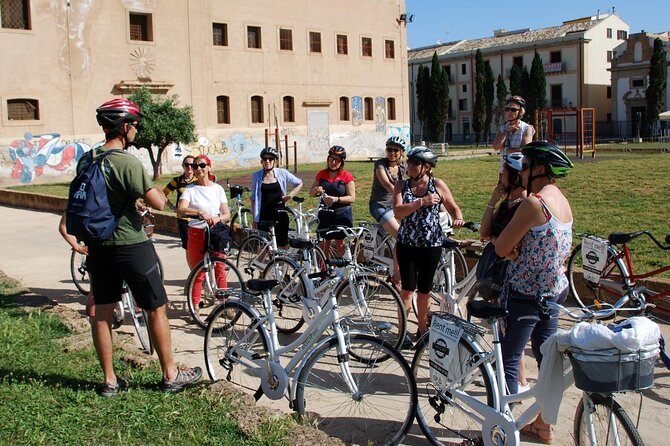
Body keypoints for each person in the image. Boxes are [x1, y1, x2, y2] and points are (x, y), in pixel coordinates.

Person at [79, 98, 201, 396]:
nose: (136, 129)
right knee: (156, 307)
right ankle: (171, 374)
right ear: (123, 127)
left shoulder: (88, 158)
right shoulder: (127, 161)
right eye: (134, 125)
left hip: (98, 245)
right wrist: (153, 186)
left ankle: (109, 380)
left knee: (102, 310)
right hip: (131, 245)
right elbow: (159, 202)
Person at [495, 141, 574, 444]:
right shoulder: (563, 202)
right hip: (553, 291)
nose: (522, 172)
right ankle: (543, 425)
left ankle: (505, 428)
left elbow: (502, 246)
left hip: (525, 291)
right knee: (547, 361)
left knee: (510, 358)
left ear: (540, 169)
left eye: (526, 166)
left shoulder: (534, 203)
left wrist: (514, 253)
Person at [393, 147, 464, 348]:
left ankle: (423, 330)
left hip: (431, 245)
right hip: (407, 244)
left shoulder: (438, 185)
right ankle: (402, 332)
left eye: (415, 163)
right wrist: (421, 202)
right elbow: (398, 212)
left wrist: (458, 217)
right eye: (410, 162)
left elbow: (453, 207)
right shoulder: (401, 185)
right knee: (407, 290)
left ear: (426, 167)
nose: (410, 166)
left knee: (424, 291)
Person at [479, 152, 529, 390]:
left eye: (504, 172)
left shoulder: (524, 204)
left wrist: (498, 241)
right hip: (498, 270)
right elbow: (485, 232)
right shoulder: (507, 202)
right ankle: (516, 377)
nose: (500, 176)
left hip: (511, 272)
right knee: (504, 327)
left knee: (510, 330)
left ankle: (517, 380)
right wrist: (492, 200)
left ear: (516, 175)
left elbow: (512, 245)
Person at [177, 155, 231, 308]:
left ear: (209, 167)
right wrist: (199, 212)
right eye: (195, 166)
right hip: (197, 232)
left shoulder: (217, 189)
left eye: (201, 165)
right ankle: (195, 306)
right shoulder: (190, 189)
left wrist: (217, 218)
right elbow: (181, 209)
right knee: (198, 271)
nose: (198, 169)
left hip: (215, 232)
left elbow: (226, 214)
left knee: (220, 267)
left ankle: (224, 304)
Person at [369, 136, 406, 288]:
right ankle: (396, 277)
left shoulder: (404, 167)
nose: (392, 153)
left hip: (396, 206)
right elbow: (388, 185)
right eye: (389, 149)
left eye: (396, 150)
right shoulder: (380, 165)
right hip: (380, 206)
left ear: (401, 152)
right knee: (402, 237)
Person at [250, 147, 303, 248]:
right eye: (265, 159)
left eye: (270, 159)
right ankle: (258, 264)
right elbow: (253, 198)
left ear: (275, 161)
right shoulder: (256, 176)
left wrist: (290, 196)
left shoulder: (282, 173)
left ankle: (281, 263)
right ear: (261, 161)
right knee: (263, 246)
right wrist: (254, 219)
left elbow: (299, 183)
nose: (267, 161)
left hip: (280, 214)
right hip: (263, 215)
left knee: (282, 244)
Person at [309, 146, 356, 258]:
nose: (333, 162)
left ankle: (341, 271)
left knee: (340, 244)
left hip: (341, 213)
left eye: (336, 160)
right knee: (323, 243)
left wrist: (337, 199)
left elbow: (352, 198)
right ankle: (324, 271)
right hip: (325, 213)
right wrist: (316, 190)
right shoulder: (321, 174)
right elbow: (311, 193)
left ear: (341, 162)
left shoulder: (346, 176)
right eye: (331, 159)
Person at [163, 155, 196, 258]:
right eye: (187, 165)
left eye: (192, 165)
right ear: (183, 166)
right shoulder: (177, 181)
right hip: (183, 219)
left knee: (199, 246)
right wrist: (172, 207)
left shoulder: (198, 180)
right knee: (188, 247)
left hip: (197, 217)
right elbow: (163, 194)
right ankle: (193, 271)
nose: (189, 167)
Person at [492, 95, 535, 173]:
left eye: (513, 109)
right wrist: (506, 132)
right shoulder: (502, 128)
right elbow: (496, 146)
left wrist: (507, 150)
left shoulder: (526, 128)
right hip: (504, 171)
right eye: (507, 109)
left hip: (520, 171)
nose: (509, 112)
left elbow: (526, 150)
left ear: (521, 111)